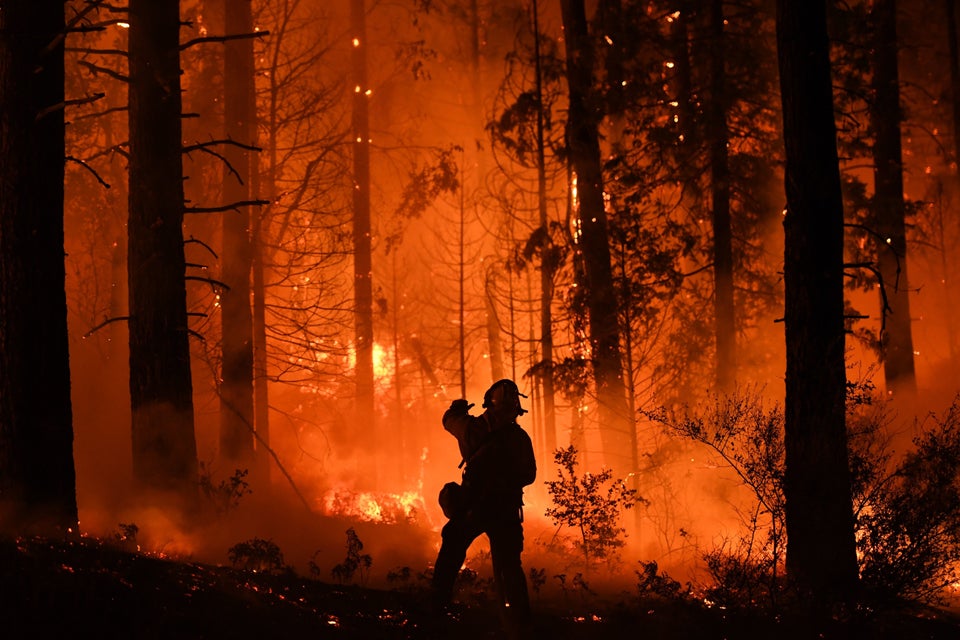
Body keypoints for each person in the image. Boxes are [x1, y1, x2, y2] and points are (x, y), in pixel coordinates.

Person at [431, 379, 537, 634]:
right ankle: (521, 624)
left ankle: (436, 609)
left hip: (473, 509)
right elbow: (529, 475)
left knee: (451, 549)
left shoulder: (472, 428)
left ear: (490, 403)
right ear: (514, 409)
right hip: (506, 512)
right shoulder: (520, 438)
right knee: (510, 566)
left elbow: (449, 420)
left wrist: (458, 409)